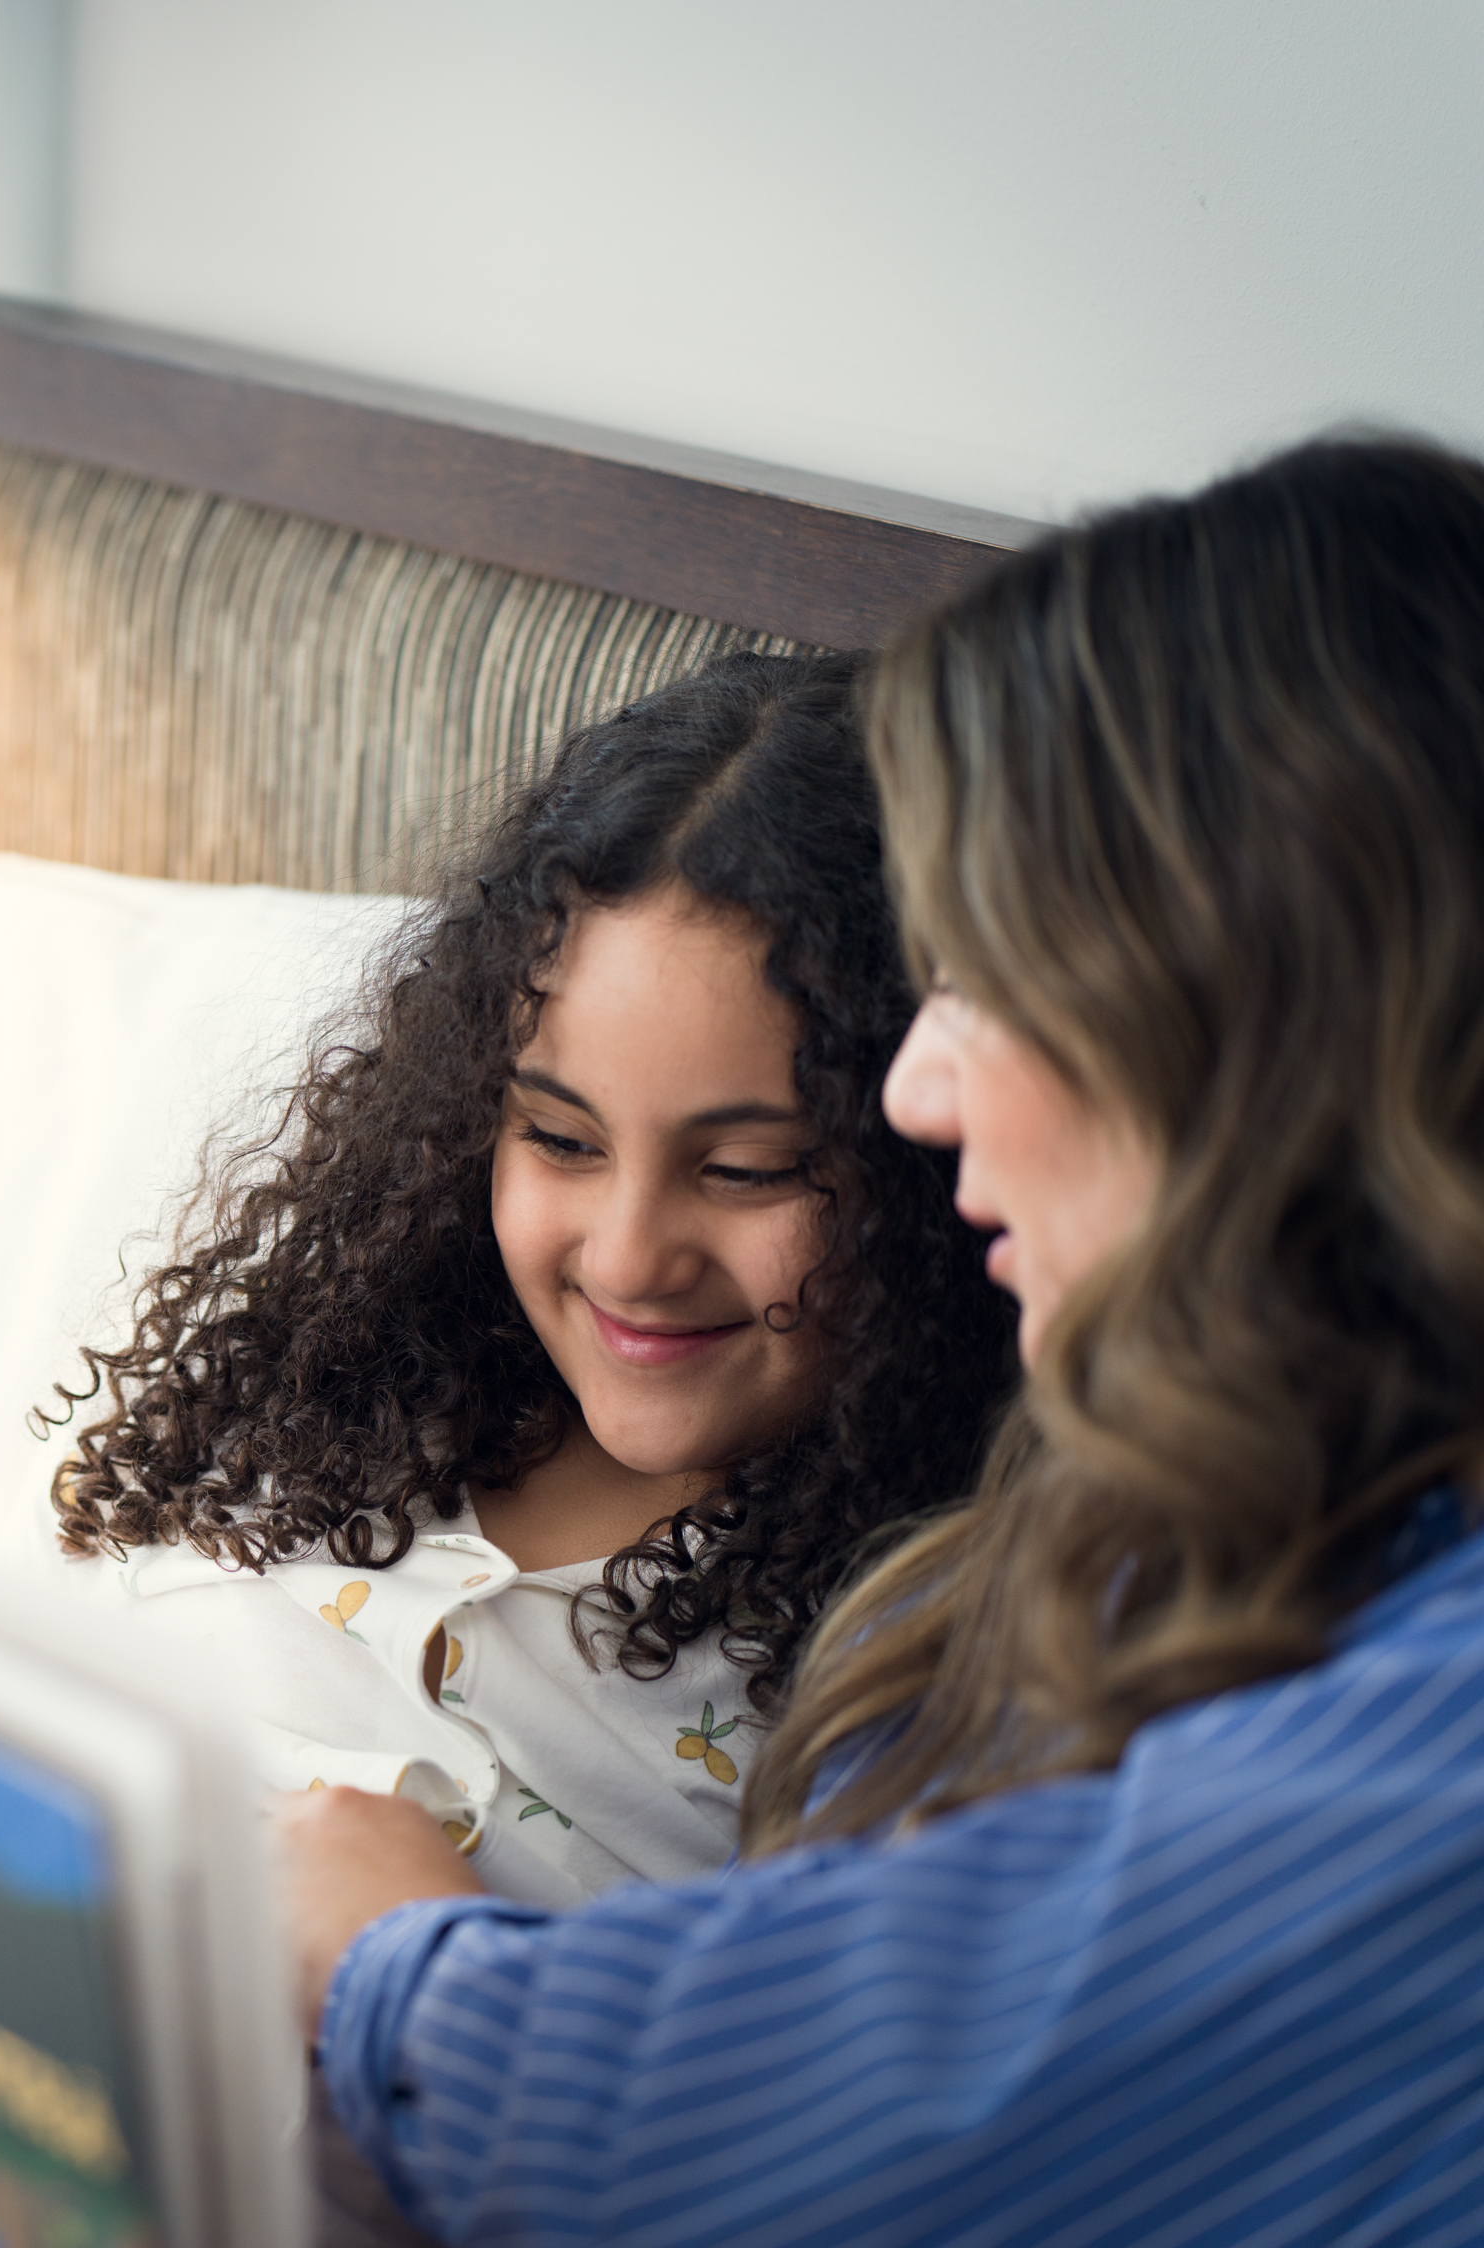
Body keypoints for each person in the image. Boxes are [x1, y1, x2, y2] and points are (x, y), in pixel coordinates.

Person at [279, 435, 1484, 2245]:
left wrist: (384, 1948)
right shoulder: (1187, 1523)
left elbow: (715, 2130)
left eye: (999, 983)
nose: (921, 1088)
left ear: (1260, 1030)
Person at [50, 650, 1015, 1903]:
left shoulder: (891, 1667)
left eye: (749, 1169)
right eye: (561, 1140)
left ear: (936, 1175)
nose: (627, 1256)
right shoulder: (328, 1385)